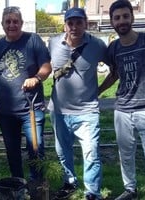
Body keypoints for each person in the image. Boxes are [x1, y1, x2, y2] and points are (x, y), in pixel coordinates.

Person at [0, 6, 52, 189]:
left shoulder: (33, 40)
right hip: (6, 112)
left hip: (31, 108)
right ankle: (19, 187)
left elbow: (46, 66)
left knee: (36, 151)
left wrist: (37, 78)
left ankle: (37, 186)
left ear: (21, 23)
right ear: (2, 24)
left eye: (15, 21)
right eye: (8, 21)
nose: (12, 25)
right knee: (12, 152)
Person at [48, 7, 109, 200]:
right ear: (65, 24)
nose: (74, 27)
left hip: (87, 111)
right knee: (62, 151)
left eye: (78, 22)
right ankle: (70, 183)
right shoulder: (53, 43)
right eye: (70, 23)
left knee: (91, 154)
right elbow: (42, 66)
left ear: (85, 22)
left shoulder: (97, 45)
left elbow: (114, 68)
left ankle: (92, 192)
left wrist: (99, 90)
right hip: (58, 110)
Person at [99, 0, 145, 199]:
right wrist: (98, 91)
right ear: (112, 21)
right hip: (122, 108)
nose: (122, 21)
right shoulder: (113, 48)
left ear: (132, 17)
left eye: (125, 16)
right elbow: (114, 74)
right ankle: (130, 189)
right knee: (125, 154)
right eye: (117, 18)